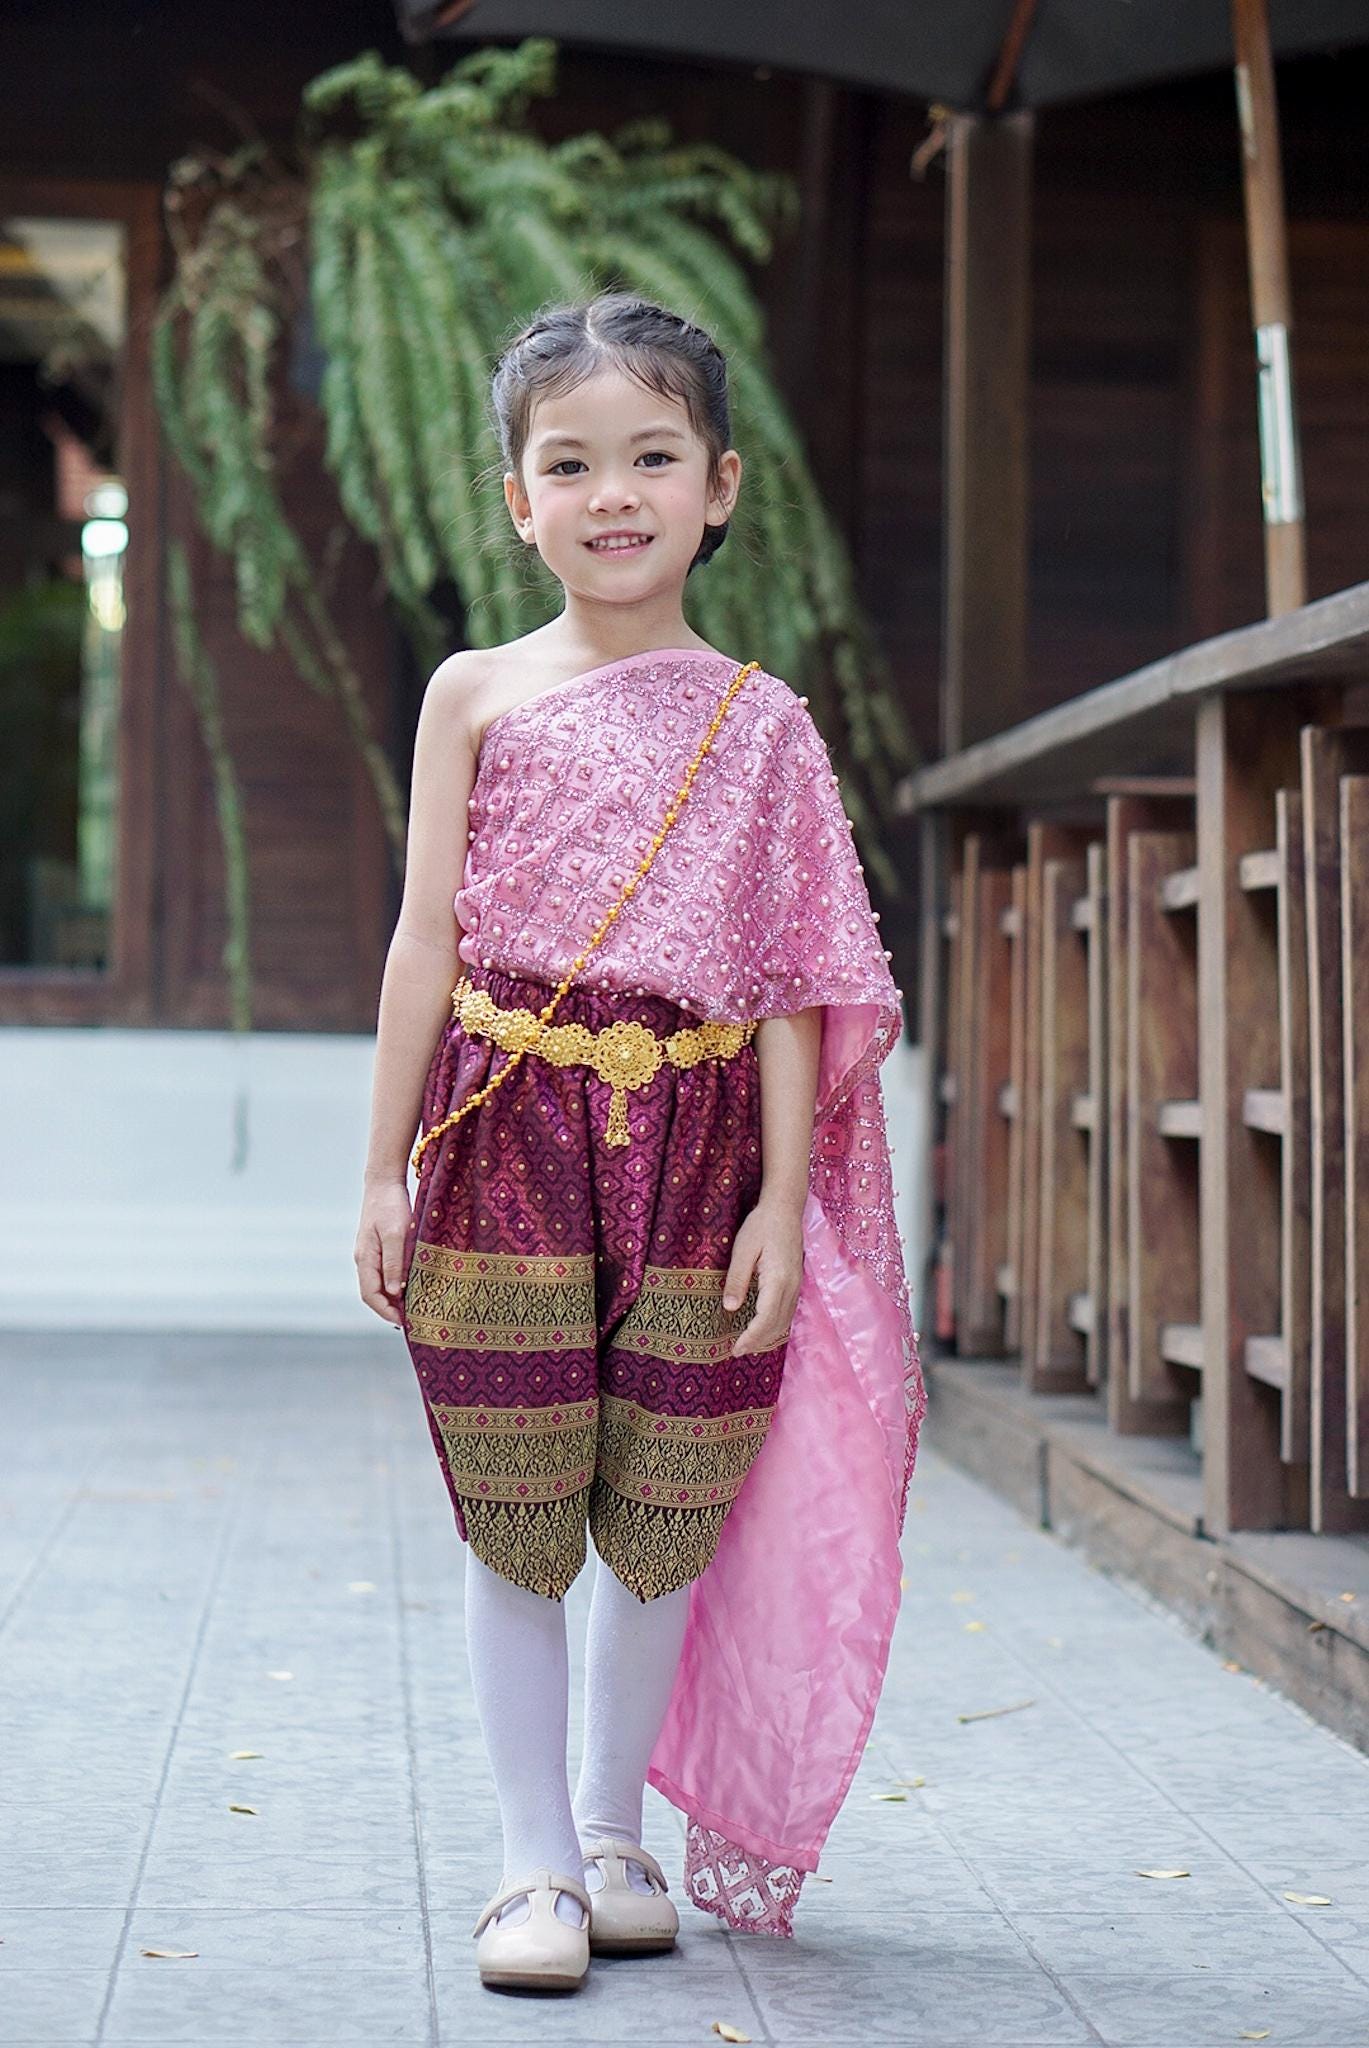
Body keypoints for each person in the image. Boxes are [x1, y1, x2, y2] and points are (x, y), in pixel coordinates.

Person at [354, 290, 925, 1993]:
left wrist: (769, 1202)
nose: (614, 493)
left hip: (692, 1151)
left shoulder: (762, 725)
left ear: (720, 485)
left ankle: (614, 1832)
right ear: (516, 500)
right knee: (514, 1504)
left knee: (667, 1501)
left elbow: (792, 983)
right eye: (571, 462)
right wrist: (378, 1168)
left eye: (652, 456)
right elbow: (421, 941)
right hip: (500, 1129)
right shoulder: (472, 692)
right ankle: (528, 1861)